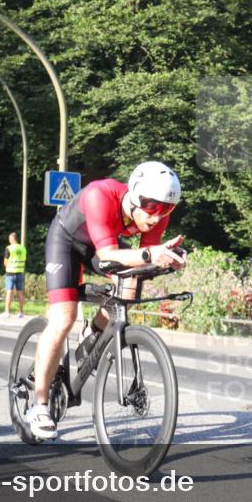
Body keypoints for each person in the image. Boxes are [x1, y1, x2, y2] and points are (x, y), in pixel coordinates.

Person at [28, 161, 187, 438]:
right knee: (64, 318)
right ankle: (39, 404)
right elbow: (109, 256)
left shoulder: (156, 215)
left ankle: (95, 331)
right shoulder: (100, 195)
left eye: (166, 209)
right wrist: (151, 255)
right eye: (152, 206)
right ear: (135, 196)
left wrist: (168, 262)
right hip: (67, 241)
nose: (156, 216)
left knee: (131, 282)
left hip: (102, 243)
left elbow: (144, 257)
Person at [3, 232, 27, 318]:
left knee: (9, 292)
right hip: (20, 272)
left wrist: (8, 267)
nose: (9, 240)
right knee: (20, 293)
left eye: (9, 239)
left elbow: (5, 262)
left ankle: (7, 312)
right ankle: (21, 312)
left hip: (10, 273)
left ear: (12, 239)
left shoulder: (9, 248)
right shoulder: (23, 248)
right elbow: (24, 260)